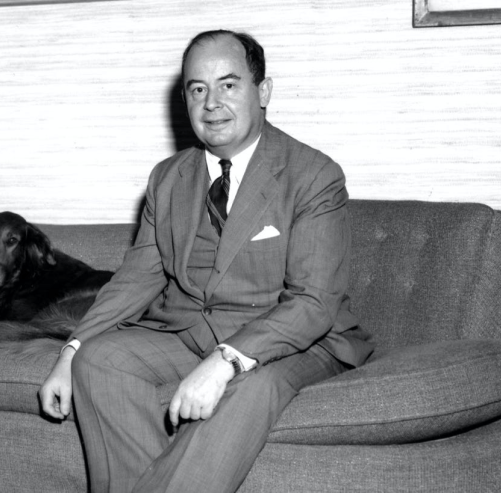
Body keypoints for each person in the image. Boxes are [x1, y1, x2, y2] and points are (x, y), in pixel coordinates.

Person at [38, 29, 375, 493]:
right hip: (189, 332)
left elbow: (313, 303)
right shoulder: (167, 179)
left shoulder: (313, 175)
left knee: (251, 385)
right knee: (99, 360)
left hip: (297, 342)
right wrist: (71, 351)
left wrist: (225, 361)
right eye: (197, 89)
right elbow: (135, 279)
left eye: (228, 85)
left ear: (263, 92)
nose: (212, 103)